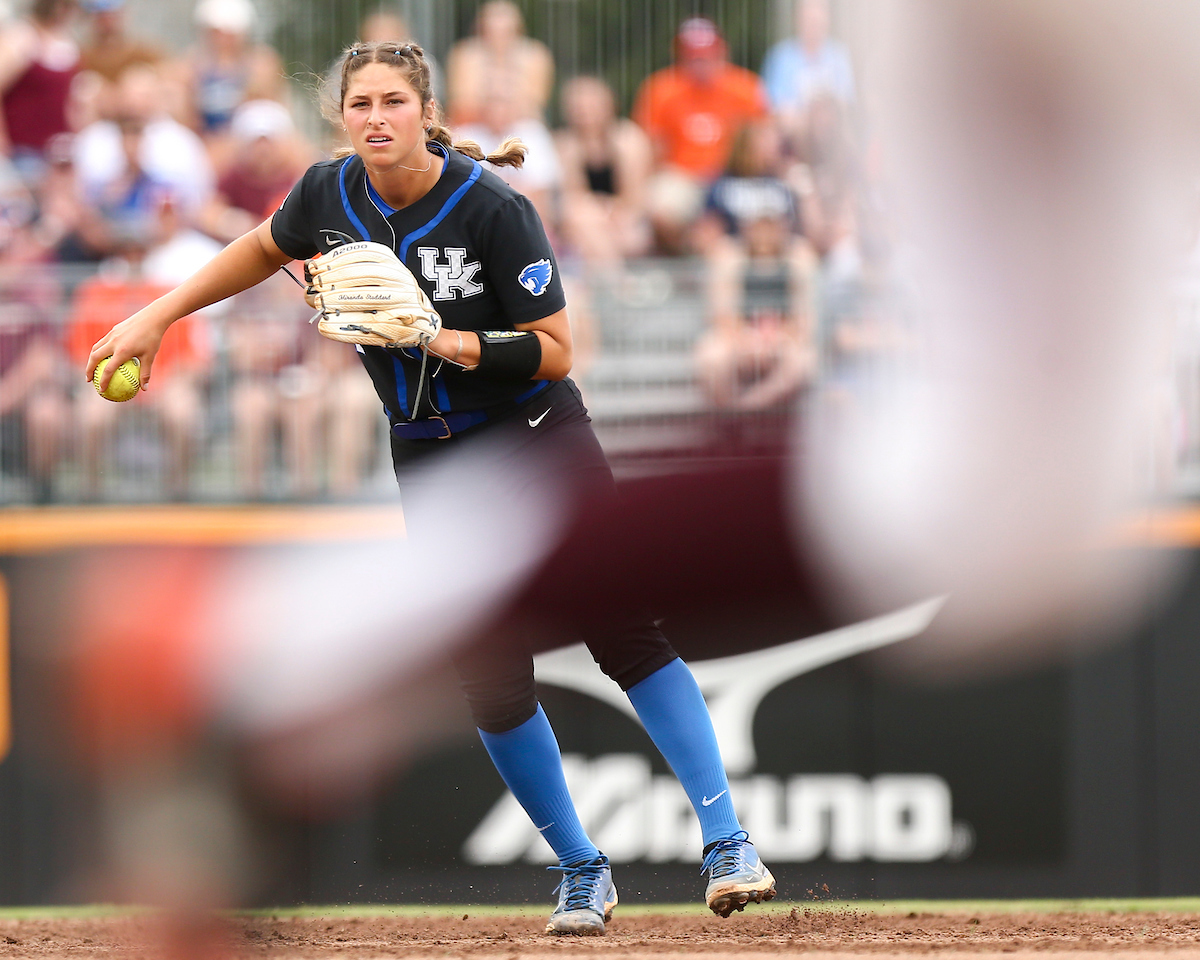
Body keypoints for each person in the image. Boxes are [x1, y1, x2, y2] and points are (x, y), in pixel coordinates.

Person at [85, 39, 776, 934]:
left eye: (393, 103)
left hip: (531, 435)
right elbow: (260, 249)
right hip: (431, 451)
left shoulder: (491, 207)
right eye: (361, 103)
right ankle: (581, 869)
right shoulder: (328, 193)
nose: (376, 118)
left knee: (622, 629)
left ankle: (728, 843)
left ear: (424, 110)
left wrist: (444, 339)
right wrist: (155, 314)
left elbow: (560, 352)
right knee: (488, 675)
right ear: (344, 115)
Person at [631, 18, 767, 254]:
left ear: (721, 53)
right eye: (693, 56)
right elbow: (651, 147)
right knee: (660, 208)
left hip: (733, 176)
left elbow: (761, 141)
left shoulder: (745, 88)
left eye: (706, 55)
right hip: (681, 174)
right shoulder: (661, 89)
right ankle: (685, 253)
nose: (700, 63)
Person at [446, 0, 553, 125]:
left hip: (519, 125)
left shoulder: (535, 55)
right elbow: (460, 104)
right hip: (475, 126)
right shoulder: (464, 55)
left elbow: (536, 103)